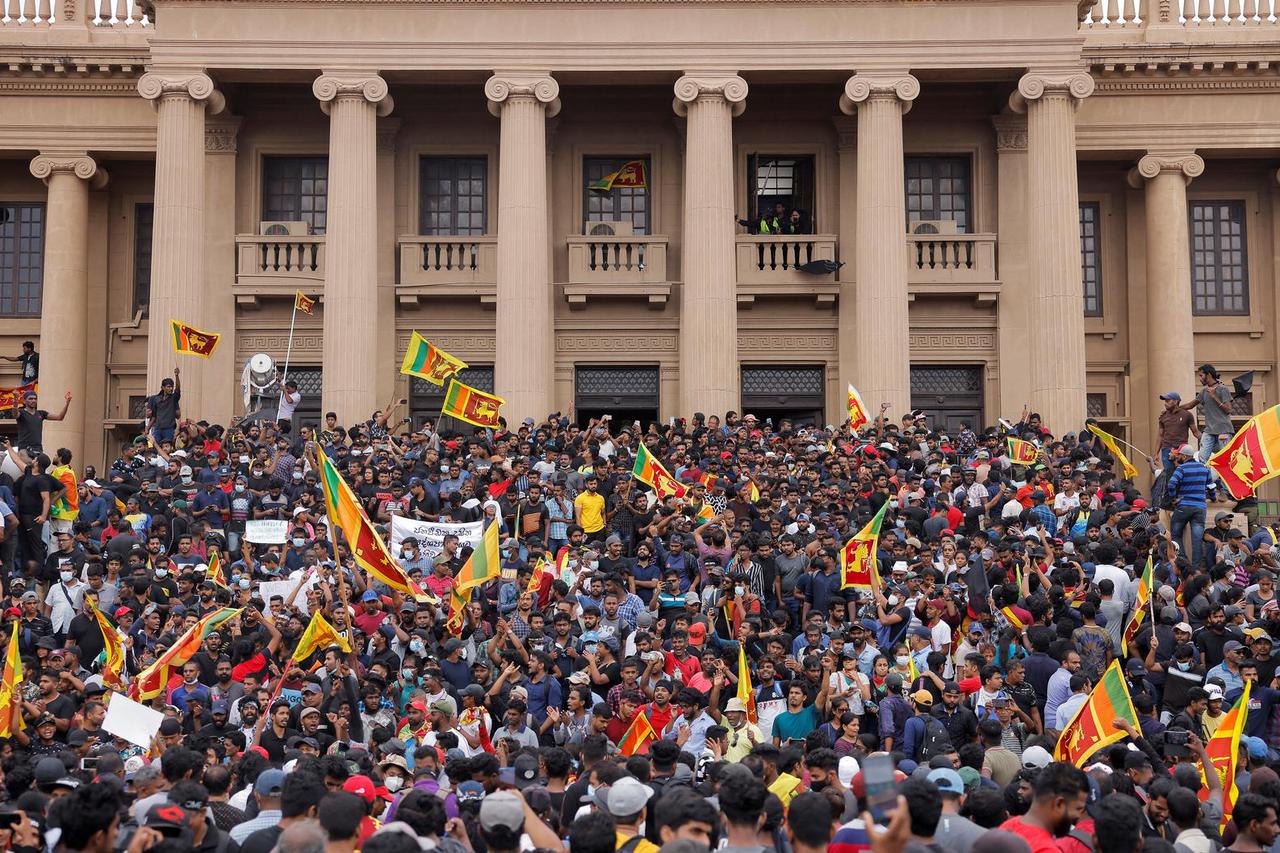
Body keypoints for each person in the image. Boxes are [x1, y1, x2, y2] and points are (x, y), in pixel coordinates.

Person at [146, 368, 182, 444]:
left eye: (172, 386)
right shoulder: (155, 399)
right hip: (157, 429)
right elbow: (154, 416)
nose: (171, 388)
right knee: (157, 447)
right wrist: (147, 428)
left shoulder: (173, 398)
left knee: (167, 447)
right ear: (162, 387)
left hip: (169, 429)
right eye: (168, 386)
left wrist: (177, 376)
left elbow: (178, 389)